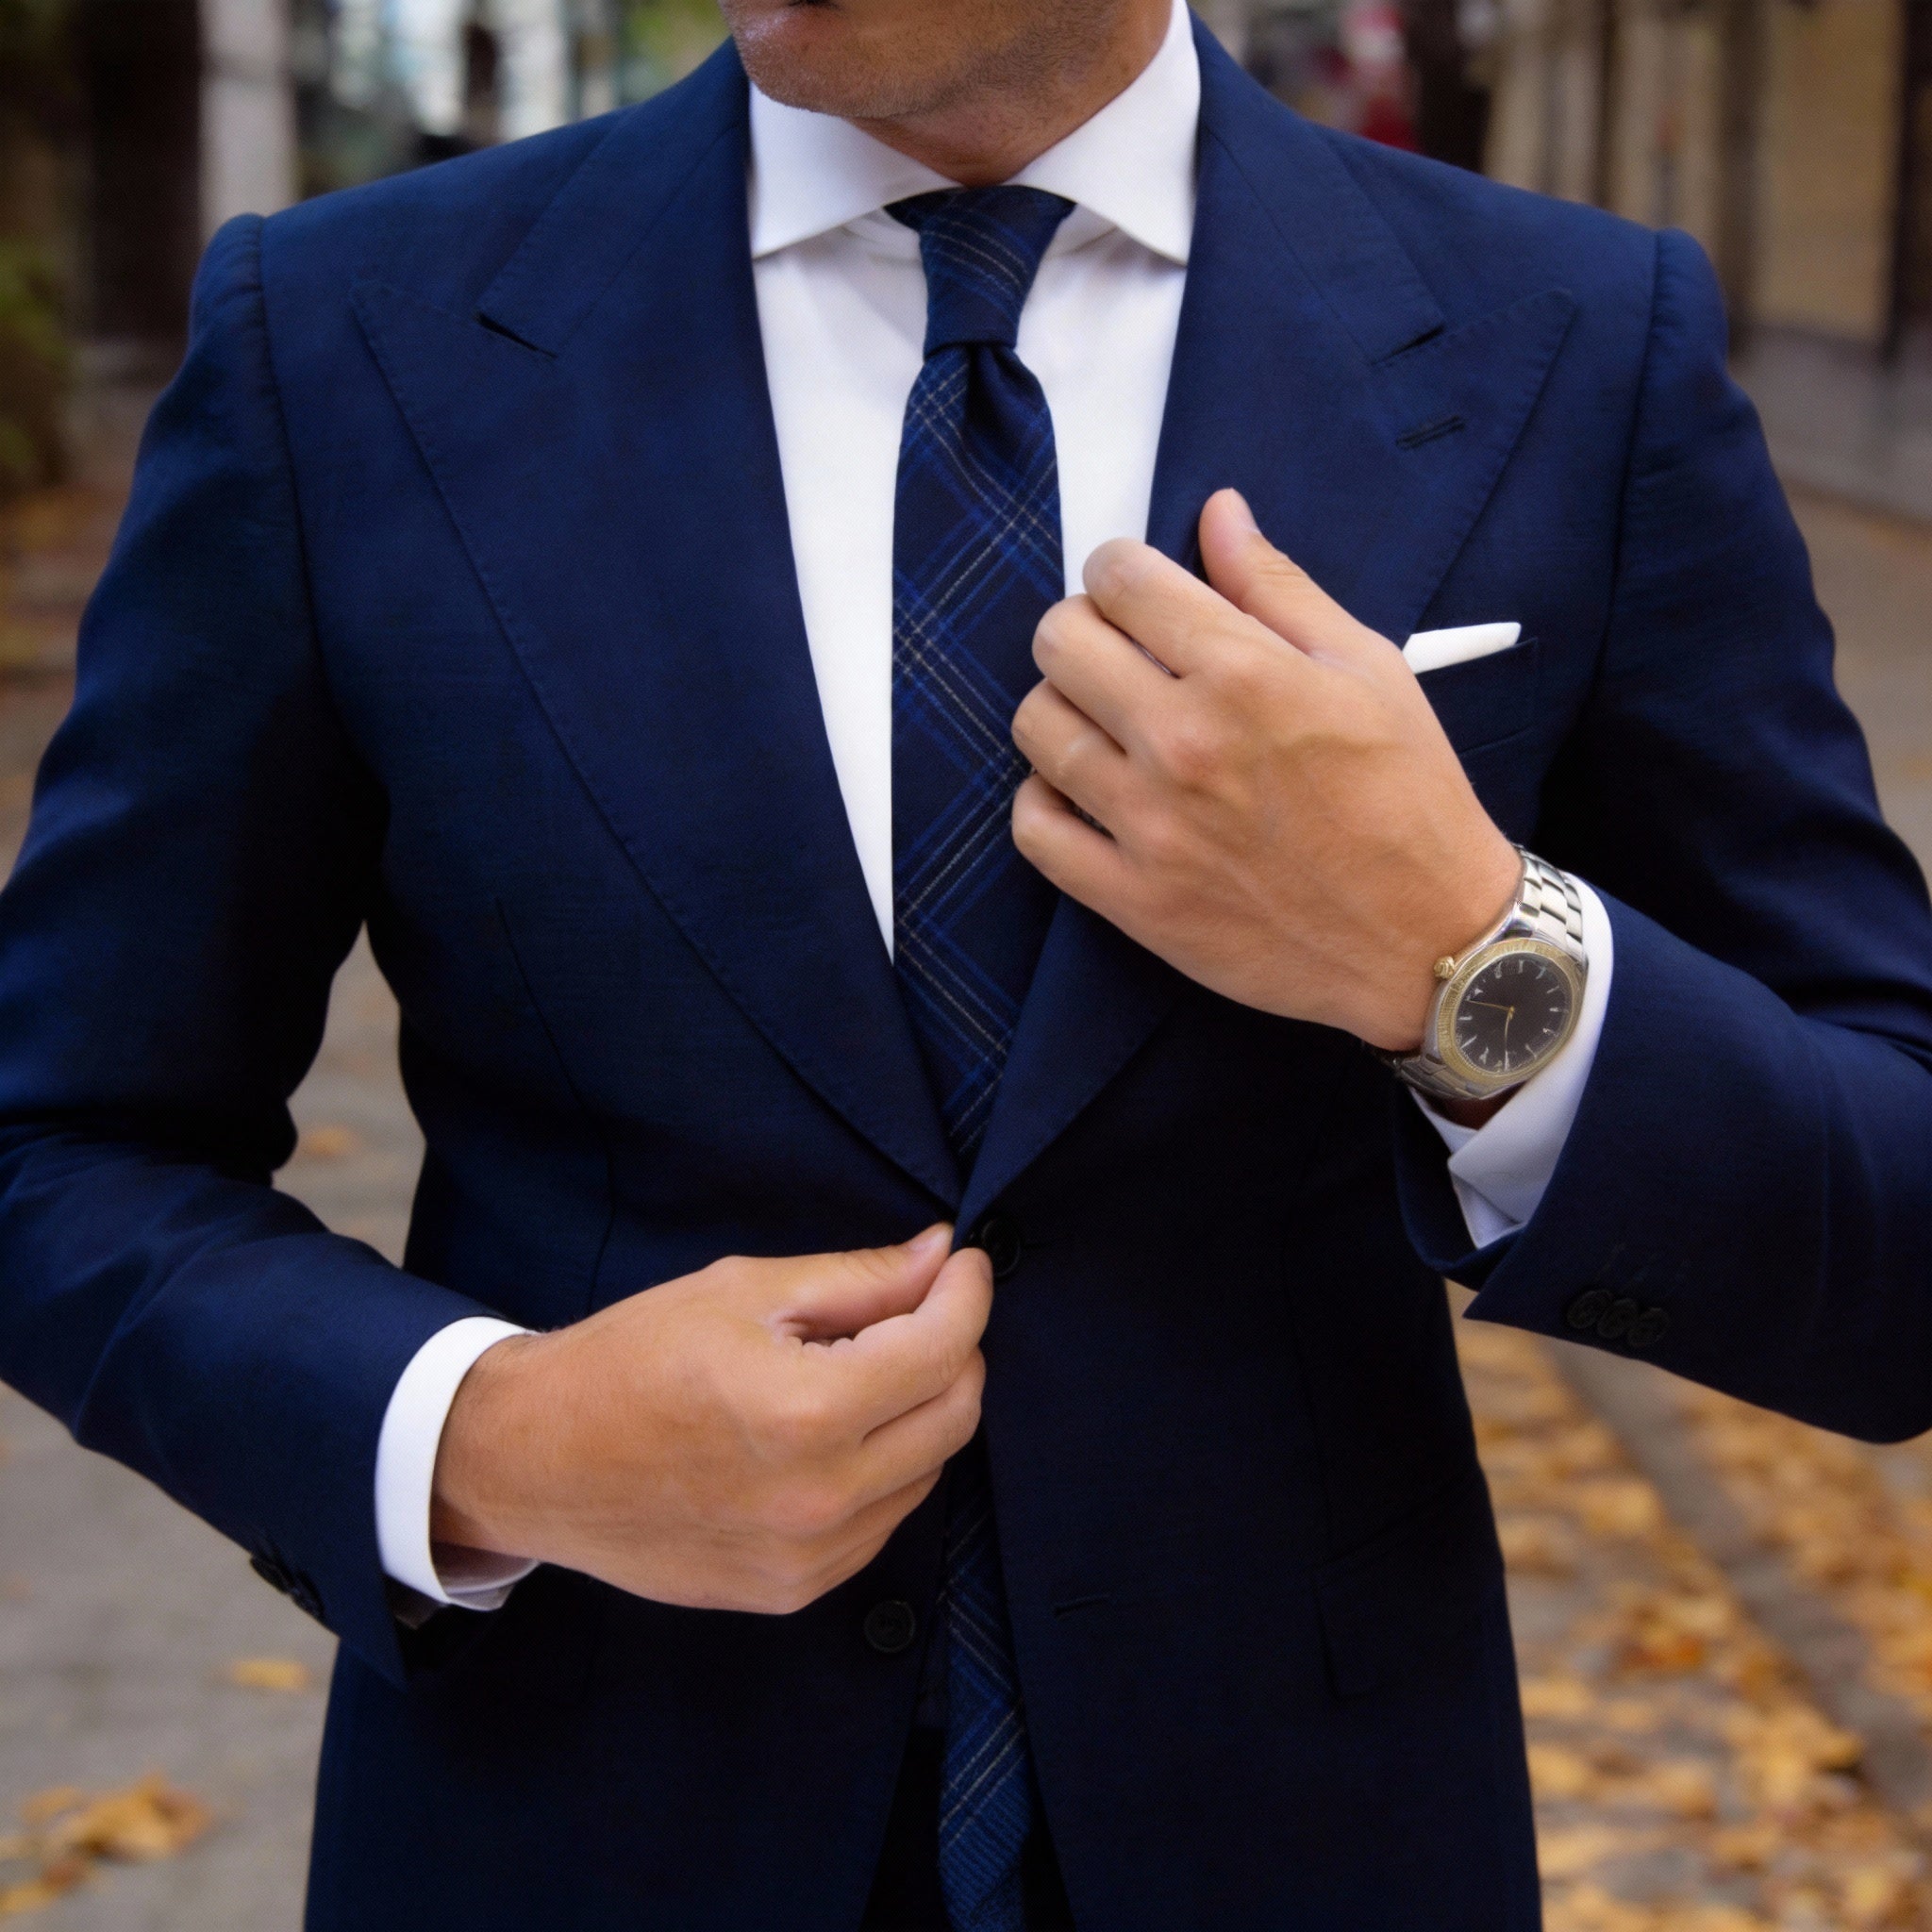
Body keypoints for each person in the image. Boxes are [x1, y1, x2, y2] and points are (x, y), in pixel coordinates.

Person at [1, 0, 1928, 1924]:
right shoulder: (340, 335)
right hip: (575, 1822)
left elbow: (1893, 1238)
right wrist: (484, 1441)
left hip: (1303, 1840)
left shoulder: (1572, 347)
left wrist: (1463, 953)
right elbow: (63, 1145)